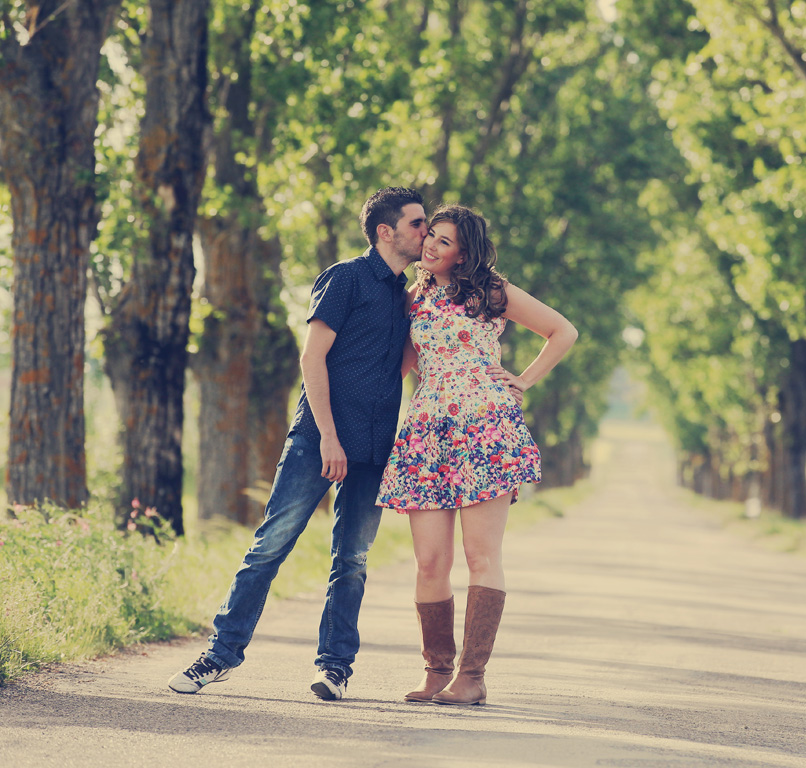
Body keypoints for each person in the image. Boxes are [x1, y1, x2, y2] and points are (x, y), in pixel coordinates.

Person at [168, 186, 429, 701]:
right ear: (386, 231)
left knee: (351, 560)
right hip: (319, 440)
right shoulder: (346, 278)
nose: (426, 231)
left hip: (375, 448)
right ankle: (218, 657)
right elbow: (312, 360)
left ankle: (334, 667)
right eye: (418, 223)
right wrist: (330, 437)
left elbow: (400, 363)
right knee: (270, 547)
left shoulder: (407, 297)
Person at [377, 203, 577, 707]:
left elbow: (563, 331)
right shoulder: (413, 298)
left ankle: (472, 675)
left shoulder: (492, 292)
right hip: (427, 431)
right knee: (429, 561)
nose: (430, 246)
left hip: (484, 428)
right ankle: (436, 669)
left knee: (480, 555)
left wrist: (523, 380)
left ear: (464, 253)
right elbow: (401, 368)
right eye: (430, 237)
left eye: (444, 242)